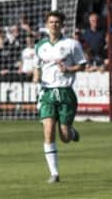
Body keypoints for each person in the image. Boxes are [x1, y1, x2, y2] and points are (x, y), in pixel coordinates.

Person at [32, 10, 86, 184]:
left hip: (65, 92)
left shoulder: (72, 44)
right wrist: (36, 76)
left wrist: (69, 69)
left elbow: (82, 65)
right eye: (51, 22)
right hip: (47, 92)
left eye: (57, 22)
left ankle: (71, 131)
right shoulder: (40, 45)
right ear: (47, 25)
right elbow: (37, 66)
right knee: (48, 132)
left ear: (62, 25)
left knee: (64, 136)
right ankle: (54, 174)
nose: (53, 24)